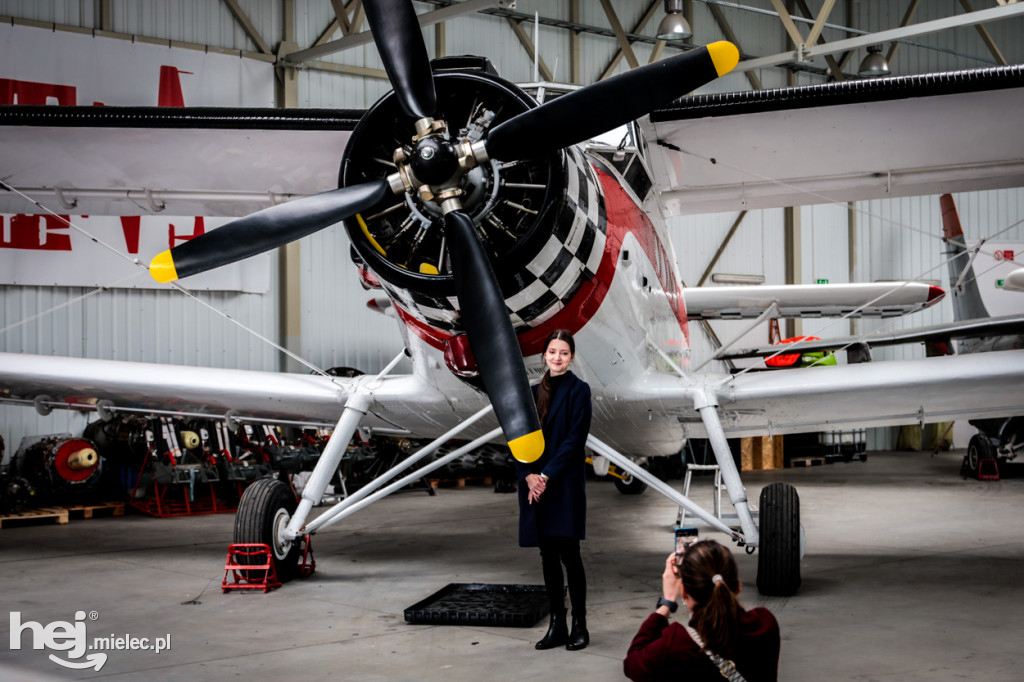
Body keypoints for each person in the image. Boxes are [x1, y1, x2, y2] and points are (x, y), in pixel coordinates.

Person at [517, 329, 593, 651]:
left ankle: (580, 626)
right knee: (547, 555)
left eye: (564, 352)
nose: (557, 357)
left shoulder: (580, 390)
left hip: (563, 483)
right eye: (552, 352)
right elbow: (517, 439)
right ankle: (557, 624)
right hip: (537, 485)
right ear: (544, 356)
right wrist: (528, 476)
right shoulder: (532, 393)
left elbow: (575, 439)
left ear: (571, 357)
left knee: (570, 556)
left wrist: (546, 475)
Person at [624, 540, 780, 681]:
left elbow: (633, 666)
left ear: (684, 593)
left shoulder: (676, 643)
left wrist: (667, 603)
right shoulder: (764, 623)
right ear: (738, 587)